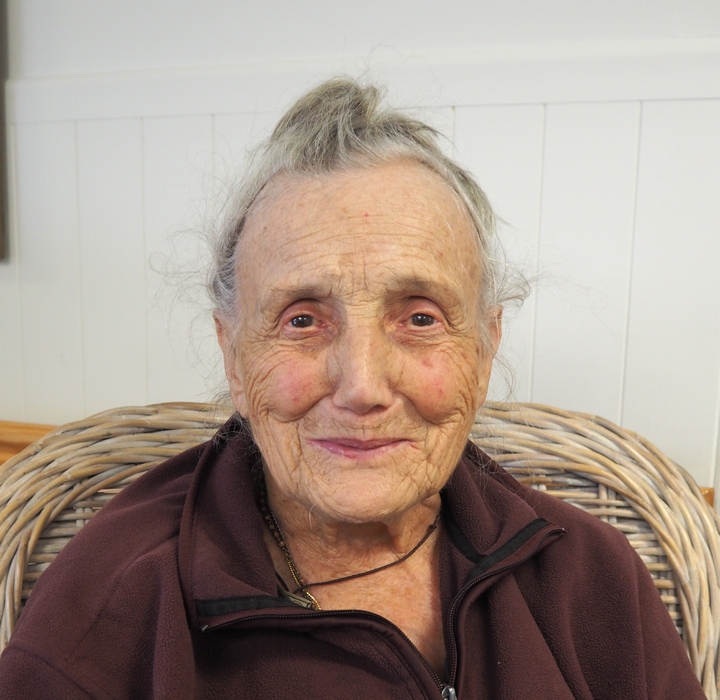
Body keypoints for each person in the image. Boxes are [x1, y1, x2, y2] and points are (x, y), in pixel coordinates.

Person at [0, 78, 705, 699]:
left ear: (484, 350)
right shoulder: (109, 614)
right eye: (302, 320)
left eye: (420, 317)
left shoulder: (591, 578)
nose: (363, 387)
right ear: (234, 356)